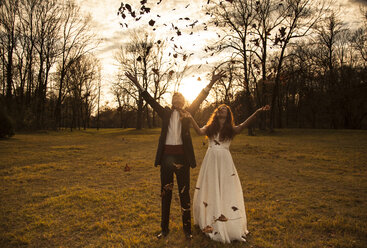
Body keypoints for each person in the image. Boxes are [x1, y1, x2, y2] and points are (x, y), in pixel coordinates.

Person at [125, 71, 225, 240]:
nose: (177, 101)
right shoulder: (164, 113)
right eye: (174, 99)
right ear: (171, 102)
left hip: (182, 159)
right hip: (166, 159)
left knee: (184, 193)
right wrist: (137, 83)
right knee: (166, 194)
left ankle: (187, 231)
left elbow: (200, 98)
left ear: (183, 102)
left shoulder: (187, 113)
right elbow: (149, 99)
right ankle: (164, 229)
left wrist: (211, 82)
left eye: (180, 99)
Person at [183, 103, 270, 243]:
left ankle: (226, 219)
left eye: (224, 109)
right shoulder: (211, 127)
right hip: (210, 160)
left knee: (225, 188)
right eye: (219, 109)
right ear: (216, 113)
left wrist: (258, 112)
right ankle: (209, 219)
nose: (221, 110)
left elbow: (244, 124)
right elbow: (199, 131)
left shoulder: (231, 129)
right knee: (211, 188)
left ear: (228, 114)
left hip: (224, 161)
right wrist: (191, 117)